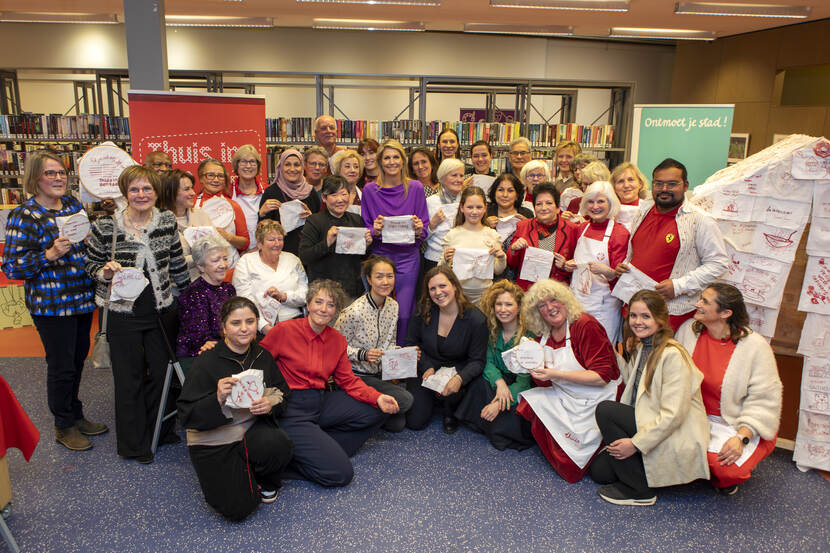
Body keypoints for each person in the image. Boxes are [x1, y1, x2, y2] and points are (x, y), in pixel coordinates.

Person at [1, 150, 107, 452]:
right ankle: (63, 425)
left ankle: (75, 414)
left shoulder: (73, 205)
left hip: (82, 299)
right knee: (61, 365)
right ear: (36, 178)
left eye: (62, 172)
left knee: (76, 361)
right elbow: (12, 266)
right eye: (51, 173)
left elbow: (84, 244)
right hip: (51, 305)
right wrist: (48, 254)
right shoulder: (24, 215)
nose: (59, 178)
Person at [85, 165, 190, 464]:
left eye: (147, 189)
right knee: (128, 378)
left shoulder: (167, 220)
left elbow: (177, 263)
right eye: (134, 189)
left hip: (161, 310)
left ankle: (160, 429)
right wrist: (104, 272)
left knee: (163, 375)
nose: (141, 194)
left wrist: (188, 298)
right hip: (122, 313)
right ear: (125, 193)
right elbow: (90, 264)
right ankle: (133, 443)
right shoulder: (107, 225)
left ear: (157, 193)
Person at [260, 280, 399, 487]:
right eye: (319, 302)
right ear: (308, 304)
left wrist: (377, 397)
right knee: (340, 474)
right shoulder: (284, 331)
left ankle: (318, 446)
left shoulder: (337, 340)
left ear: (336, 311)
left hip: (321, 400)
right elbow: (259, 365)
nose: (324, 309)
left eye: (331, 305)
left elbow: (348, 381)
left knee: (378, 409)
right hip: (291, 407)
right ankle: (284, 464)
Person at [177, 296, 293, 521]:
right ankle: (240, 474)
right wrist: (217, 398)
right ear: (223, 328)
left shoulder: (262, 355)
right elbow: (186, 416)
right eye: (235, 323)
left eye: (250, 322)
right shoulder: (206, 362)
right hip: (213, 439)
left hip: (249, 429)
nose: (244, 329)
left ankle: (257, 475)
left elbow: (284, 393)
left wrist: (270, 404)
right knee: (238, 510)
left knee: (280, 444)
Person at [590, 289, 709, 506]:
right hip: (647, 420)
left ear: (661, 319)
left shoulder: (672, 355)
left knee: (606, 410)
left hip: (670, 431)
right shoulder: (642, 346)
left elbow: (673, 416)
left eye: (646, 316)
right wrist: (610, 352)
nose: (638, 322)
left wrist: (635, 443)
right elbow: (635, 384)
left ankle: (640, 492)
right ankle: (642, 471)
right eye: (634, 316)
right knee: (600, 472)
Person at [676, 283, 782, 496]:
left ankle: (712, 471)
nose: (697, 304)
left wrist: (741, 438)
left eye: (705, 301)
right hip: (695, 417)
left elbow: (764, 400)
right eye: (700, 298)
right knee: (666, 450)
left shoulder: (755, 346)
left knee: (727, 471)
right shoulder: (688, 331)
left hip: (736, 423)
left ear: (725, 313)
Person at [516, 279, 620, 482]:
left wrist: (555, 374)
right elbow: (544, 383)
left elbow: (601, 377)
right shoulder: (543, 336)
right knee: (530, 402)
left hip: (597, 398)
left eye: (554, 300)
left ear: (565, 300)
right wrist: (531, 363)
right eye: (542, 306)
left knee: (576, 463)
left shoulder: (584, 324)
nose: (550, 308)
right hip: (567, 395)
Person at [616, 158, 728, 331]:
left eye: (672, 184)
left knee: (664, 358)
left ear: (685, 185)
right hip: (633, 309)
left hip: (669, 316)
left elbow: (718, 264)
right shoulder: (643, 211)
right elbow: (639, 251)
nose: (664, 189)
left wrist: (679, 286)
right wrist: (625, 265)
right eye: (659, 184)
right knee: (633, 357)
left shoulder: (700, 221)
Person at [333, 255, 415, 433]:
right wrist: (362, 354)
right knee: (405, 401)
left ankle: (363, 408)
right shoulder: (353, 312)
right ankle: (358, 404)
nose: (385, 282)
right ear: (368, 279)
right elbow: (334, 349)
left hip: (380, 374)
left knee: (397, 423)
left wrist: (406, 354)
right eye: (379, 276)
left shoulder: (393, 306)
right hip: (356, 375)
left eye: (390, 276)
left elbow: (389, 344)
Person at [361, 139, 429, 345]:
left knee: (405, 312)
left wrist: (418, 229)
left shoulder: (416, 188)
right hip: (381, 256)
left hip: (408, 258)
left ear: (403, 160)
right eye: (387, 157)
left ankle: (399, 359)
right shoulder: (370, 190)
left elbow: (424, 228)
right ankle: (378, 354)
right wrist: (375, 229)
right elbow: (366, 230)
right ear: (380, 162)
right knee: (378, 310)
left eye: (395, 157)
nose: (391, 162)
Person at [405, 266, 488, 434]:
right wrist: (426, 365)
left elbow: (477, 360)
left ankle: (450, 407)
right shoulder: (423, 310)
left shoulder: (476, 319)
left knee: (457, 390)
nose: (438, 292)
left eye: (443, 286)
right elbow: (411, 343)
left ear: (455, 286)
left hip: (456, 369)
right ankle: (436, 400)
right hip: (426, 367)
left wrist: (460, 378)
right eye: (432, 288)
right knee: (415, 422)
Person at [453, 280, 535, 451]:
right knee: (478, 384)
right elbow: (488, 362)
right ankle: (490, 422)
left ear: (519, 307)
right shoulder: (491, 329)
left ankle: (491, 423)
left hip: (519, 386)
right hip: (499, 380)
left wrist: (498, 403)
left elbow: (524, 382)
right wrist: (499, 383)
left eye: (508, 304)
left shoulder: (528, 336)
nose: (503, 309)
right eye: (499, 304)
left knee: (512, 411)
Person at [563, 181, 629, 344]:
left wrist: (608, 272)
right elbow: (576, 260)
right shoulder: (581, 228)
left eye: (601, 201)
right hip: (577, 301)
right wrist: (571, 265)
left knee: (600, 351)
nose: (595, 206)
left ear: (611, 203)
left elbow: (624, 280)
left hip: (604, 306)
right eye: (591, 202)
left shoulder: (619, 233)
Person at [298, 175, 372, 300]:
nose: (340, 199)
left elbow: (362, 257)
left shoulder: (356, 219)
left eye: (344, 194)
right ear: (324, 198)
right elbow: (304, 256)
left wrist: (368, 245)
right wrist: (326, 242)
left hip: (352, 289)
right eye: (334, 195)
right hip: (324, 292)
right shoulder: (314, 221)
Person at [233, 220, 308, 335]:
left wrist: (284, 297)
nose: (277, 244)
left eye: (280, 239)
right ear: (259, 243)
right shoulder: (246, 262)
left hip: (295, 322)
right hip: (259, 325)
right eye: (271, 240)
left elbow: (306, 295)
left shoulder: (293, 259)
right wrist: (264, 327)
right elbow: (245, 300)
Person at [175, 235, 236, 371]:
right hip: (197, 355)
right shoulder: (193, 294)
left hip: (224, 348)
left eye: (225, 259)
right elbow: (200, 338)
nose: (223, 265)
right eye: (215, 260)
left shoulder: (228, 288)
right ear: (201, 267)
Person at [506, 181, 580, 290]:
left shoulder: (572, 229)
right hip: (529, 290)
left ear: (558, 207)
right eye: (539, 204)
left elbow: (577, 264)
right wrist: (514, 249)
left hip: (559, 290)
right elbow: (511, 263)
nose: (543, 208)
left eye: (549, 203)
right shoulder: (523, 226)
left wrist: (565, 265)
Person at [441, 187, 506, 304]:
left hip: (485, 295)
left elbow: (497, 270)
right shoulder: (452, 235)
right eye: (470, 207)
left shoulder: (492, 235)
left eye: (479, 207)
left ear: (485, 208)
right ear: (461, 208)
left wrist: (501, 258)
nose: (474, 212)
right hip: (458, 295)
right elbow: (442, 270)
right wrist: (445, 259)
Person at [258, 148, 318, 256]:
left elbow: (319, 226)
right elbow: (262, 231)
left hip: (307, 253)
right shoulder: (271, 192)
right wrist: (262, 213)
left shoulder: (310, 192)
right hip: (279, 253)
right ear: (280, 167)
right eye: (287, 164)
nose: (292, 169)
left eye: (296, 164)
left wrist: (312, 219)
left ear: (302, 167)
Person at [158, 169, 214, 281]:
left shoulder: (201, 215)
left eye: (192, 188)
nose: (193, 193)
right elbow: (166, 264)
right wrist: (200, 257)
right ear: (170, 193)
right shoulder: (158, 223)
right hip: (174, 290)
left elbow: (215, 250)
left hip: (204, 286)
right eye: (187, 189)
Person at [484, 173, 534, 281]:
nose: (505, 195)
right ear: (494, 192)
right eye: (500, 190)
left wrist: (529, 226)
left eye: (510, 190)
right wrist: (483, 225)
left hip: (518, 274)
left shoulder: (527, 214)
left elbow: (535, 244)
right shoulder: (485, 212)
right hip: (490, 272)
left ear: (517, 195)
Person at [194, 158, 250, 253]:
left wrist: (228, 236)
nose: (216, 180)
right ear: (201, 178)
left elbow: (245, 243)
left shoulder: (234, 206)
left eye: (220, 176)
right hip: (200, 265)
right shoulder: (192, 204)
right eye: (210, 175)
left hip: (229, 264)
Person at [423, 158, 465, 277]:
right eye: (454, 175)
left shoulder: (467, 201)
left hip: (461, 260)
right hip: (434, 259)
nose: (458, 179)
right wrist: (432, 225)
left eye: (461, 175)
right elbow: (421, 237)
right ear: (442, 177)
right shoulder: (430, 202)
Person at [229, 145, 266, 252]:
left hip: (263, 251)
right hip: (235, 254)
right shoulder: (228, 192)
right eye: (244, 162)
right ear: (237, 165)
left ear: (258, 166)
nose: (248, 166)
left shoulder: (267, 191)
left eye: (252, 162)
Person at [610, 161, 649, 231]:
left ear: (640, 183)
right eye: (620, 181)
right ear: (614, 187)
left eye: (631, 180)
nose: (626, 185)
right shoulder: (608, 211)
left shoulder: (649, 209)